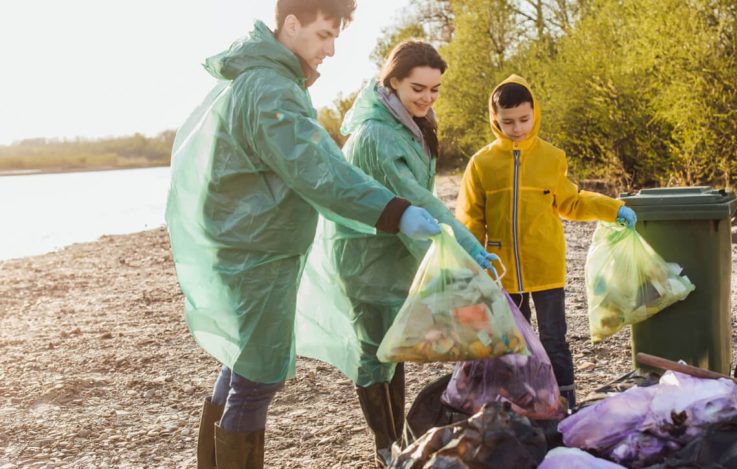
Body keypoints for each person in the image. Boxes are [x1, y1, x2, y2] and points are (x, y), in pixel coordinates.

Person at [165, 1, 443, 467]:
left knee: (239, 363)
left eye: (336, 37)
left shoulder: (260, 79)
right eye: (323, 35)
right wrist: (396, 212)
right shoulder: (270, 89)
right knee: (257, 378)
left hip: (250, 247)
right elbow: (320, 171)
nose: (331, 49)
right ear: (291, 24)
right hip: (258, 255)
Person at [294, 40, 497, 467]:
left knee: (394, 348)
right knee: (375, 353)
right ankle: (385, 445)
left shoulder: (409, 121)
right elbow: (418, 199)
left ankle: (397, 440)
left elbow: (419, 201)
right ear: (393, 82)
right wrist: (468, 248)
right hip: (365, 256)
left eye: (434, 89)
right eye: (417, 88)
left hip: (395, 251)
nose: (427, 97)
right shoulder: (377, 135)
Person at [456, 75, 637, 408]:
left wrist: (613, 209)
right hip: (502, 272)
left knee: (554, 340)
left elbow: (572, 201)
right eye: (508, 121)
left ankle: (564, 403)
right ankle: (522, 406)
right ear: (494, 118)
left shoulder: (551, 157)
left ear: (534, 113)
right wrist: (471, 258)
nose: (518, 127)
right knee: (512, 344)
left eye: (524, 119)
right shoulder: (481, 164)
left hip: (547, 269)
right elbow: (471, 218)